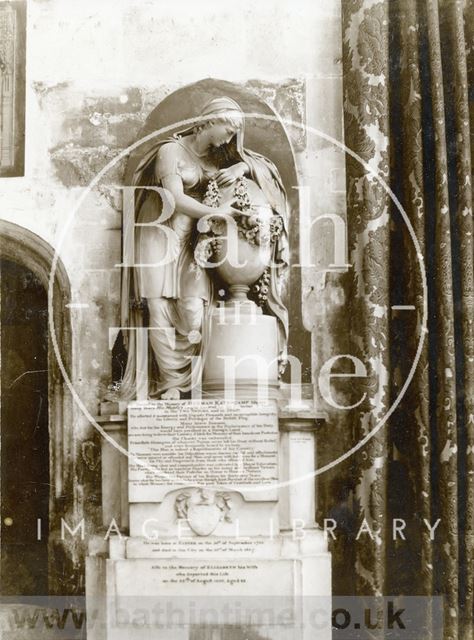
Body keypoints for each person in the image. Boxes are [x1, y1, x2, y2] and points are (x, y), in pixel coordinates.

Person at [118, 96, 289, 400]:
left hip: (191, 240)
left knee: (194, 309)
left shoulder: (214, 160)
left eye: (236, 132)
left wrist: (239, 170)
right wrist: (219, 213)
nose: (230, 137)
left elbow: (257, 167)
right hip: (158, 233)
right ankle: (171, 384)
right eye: (229, 128)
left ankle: (192, 380)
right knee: (158, 306)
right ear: (210, 121)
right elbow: (174, 199)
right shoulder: (172, 152)